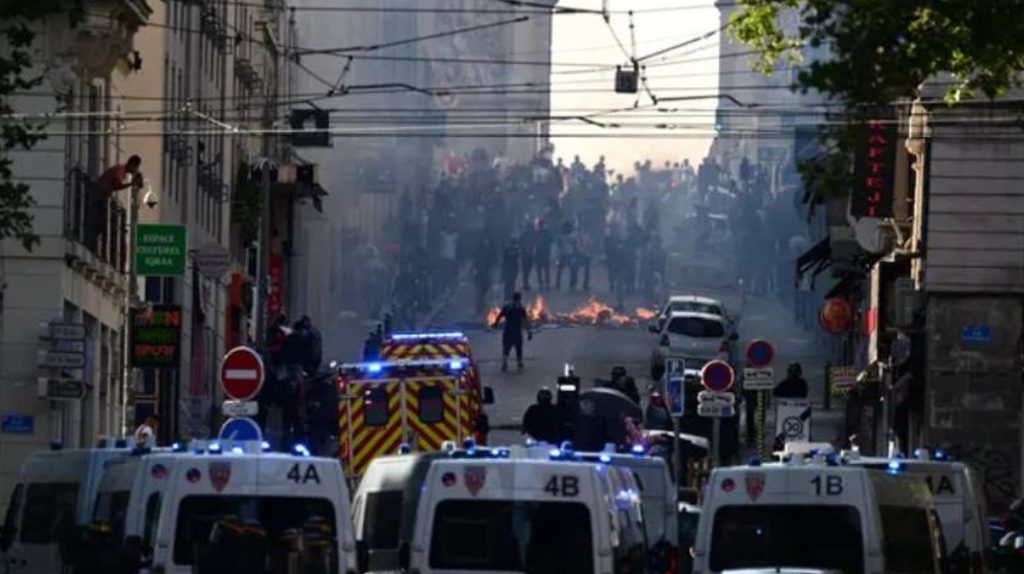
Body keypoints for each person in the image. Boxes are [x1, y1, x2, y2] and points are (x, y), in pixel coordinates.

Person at [492, 291, 533, 371]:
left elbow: (500, 315)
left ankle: (505, 362)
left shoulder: (507, 307)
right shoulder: (521, 308)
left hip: (508, 330)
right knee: (518, 347)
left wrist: (496, 323)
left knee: (506, 347)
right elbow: (525, 321)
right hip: (517, 331)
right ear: (519, 299)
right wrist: (529, 332)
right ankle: (519, 362)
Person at [534, 218, 553, 290]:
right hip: (541, 253)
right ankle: (544, 284)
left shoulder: (544, 232)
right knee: (543, 269)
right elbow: (551, 240)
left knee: (543, 269)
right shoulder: (543, 232)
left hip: (543, 253)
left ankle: (543, 284)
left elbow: (551, 240)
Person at [501, 238, 521, 302]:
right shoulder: (511, 250)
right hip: (510, 269)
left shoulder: (513, 250)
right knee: (509, 283)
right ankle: (508, 297)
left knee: (510, 283)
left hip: (512, 269)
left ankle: (508, 297)